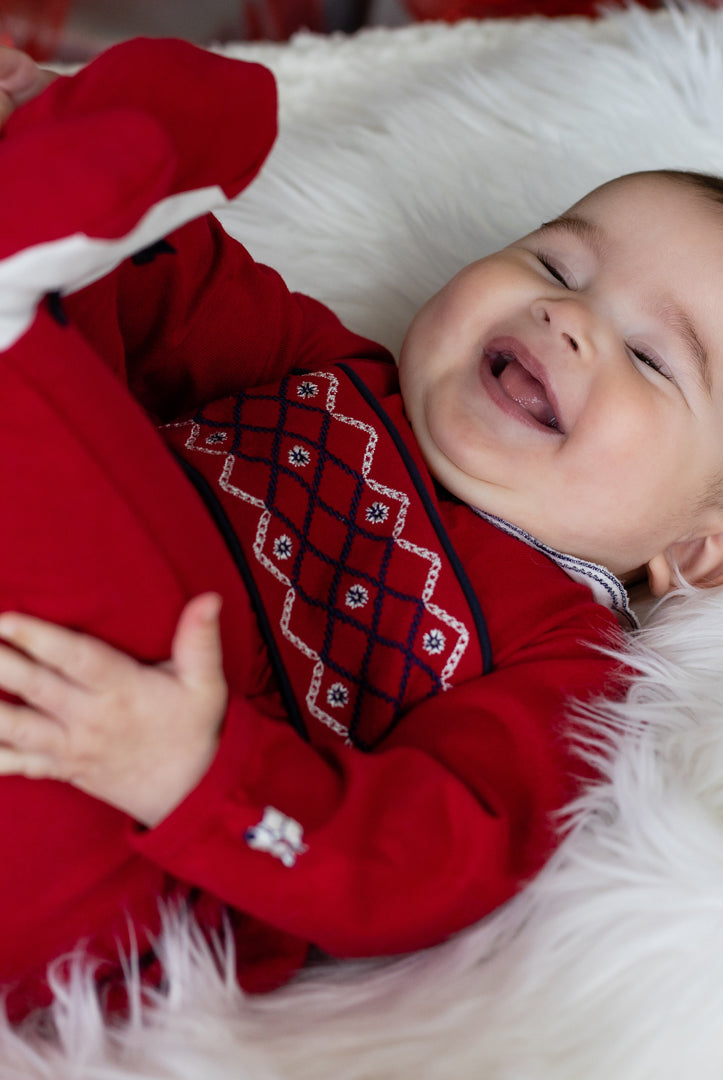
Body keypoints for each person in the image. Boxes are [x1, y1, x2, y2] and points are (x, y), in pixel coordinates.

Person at [0, 36, 720, 1022]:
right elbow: (182, 291)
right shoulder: (327, 367)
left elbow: (431, 857)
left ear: (693, 550)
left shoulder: (560, 656)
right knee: (110, 286)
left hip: (119, 817)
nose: (566, 317)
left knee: (141, 568)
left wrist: (197, 771)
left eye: (649, 357)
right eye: (554, 262)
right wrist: (73, 144)